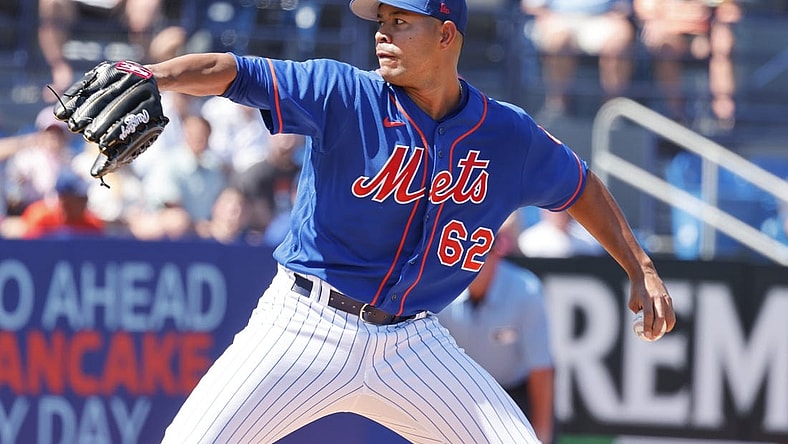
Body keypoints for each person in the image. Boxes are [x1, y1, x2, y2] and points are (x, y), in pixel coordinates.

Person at [83, 0, 676, 440]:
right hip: (303, 326)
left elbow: (579, 187)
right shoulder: (343, 92)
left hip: (412, 344)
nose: (382, 34)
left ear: (446, 34)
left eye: (400, 21)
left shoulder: (508, 136)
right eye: (381, 22)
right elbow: (235, 71)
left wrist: (639, 265)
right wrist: (153, 75)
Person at [438, 213, 556, 443]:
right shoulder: (440, 293)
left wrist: (541, 438)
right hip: (462, 394)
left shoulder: (526, 291)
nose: (474, 259)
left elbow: (541, 372)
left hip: (514, 396)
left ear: (497, 251)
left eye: (483, 248)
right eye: (465, 249)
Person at [633, 0, 741, 130]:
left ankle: (725, 118)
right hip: (669, 32)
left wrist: (718, 21)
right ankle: (676, 119)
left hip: (704, 34)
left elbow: (728, 9)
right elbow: (646, 10)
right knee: (666, 49)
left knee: (723, 43)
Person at [521, 0, 636, 119]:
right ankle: (557, 108)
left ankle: (613, 113)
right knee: (559, 41)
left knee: (620, 39)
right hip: (557, 18)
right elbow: (532, 6)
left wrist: (618, 12)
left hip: (603, 18)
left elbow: (624, 6)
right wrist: (546, 15)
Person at [20, 168, 104, 239]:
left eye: (85, 198)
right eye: (79, 199)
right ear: (64, 199)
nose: (84, 202)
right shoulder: (39, 216)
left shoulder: (92, 223)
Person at [518, 207, 605, 257]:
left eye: (565, 210)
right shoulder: (530, 239)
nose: (562, 214)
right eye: (556, 210)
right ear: (544, 212)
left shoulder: (589, 238)